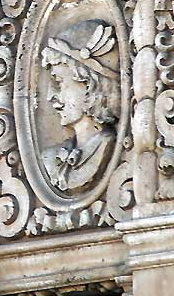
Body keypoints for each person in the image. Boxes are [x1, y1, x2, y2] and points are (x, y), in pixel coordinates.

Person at [41, 20, 121, 194]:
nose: (50, 95)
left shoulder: (105, 147)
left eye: (59, 82)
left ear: (90, 84)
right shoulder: (50, 158)